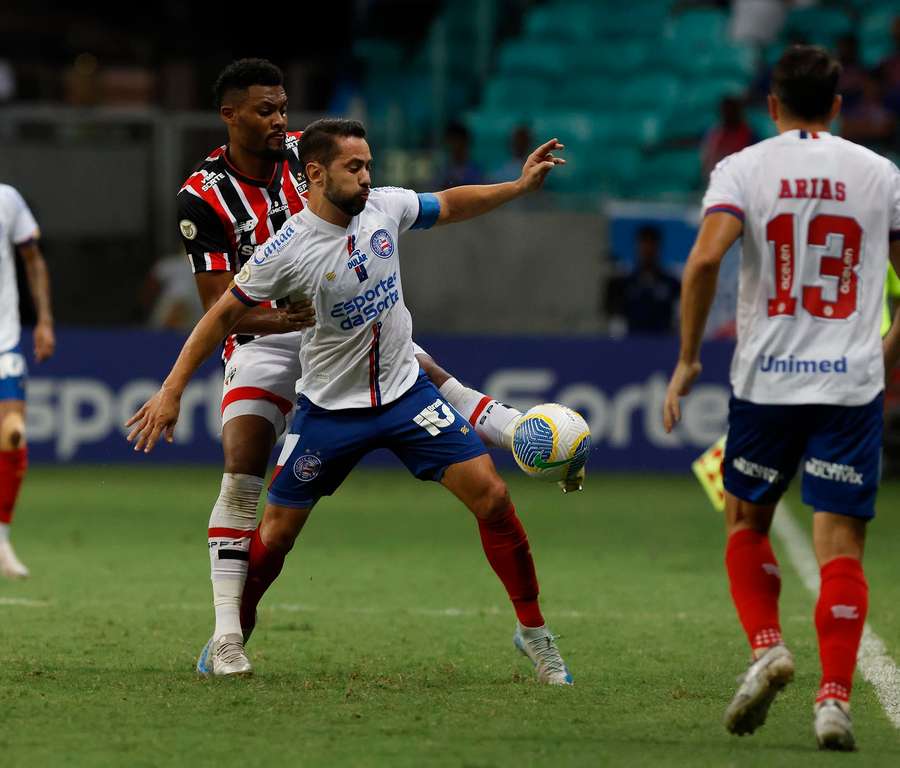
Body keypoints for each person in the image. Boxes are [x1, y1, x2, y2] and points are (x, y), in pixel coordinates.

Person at [129, 118, 573, 686]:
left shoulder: (384, 208)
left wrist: (515, 187)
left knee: (491, 496)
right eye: (355, 168)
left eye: (369, 165)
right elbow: (219, 316)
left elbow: (450, 203)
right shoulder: (285, 250)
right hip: (329, 413)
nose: (368, 178)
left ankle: (534, 634)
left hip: (406, 397)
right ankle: (229, 635)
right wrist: (170, 390)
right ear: (315, 174)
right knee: (277, 534)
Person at [663, 45, 900, 751]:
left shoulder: (744, 167)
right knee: (841, 546)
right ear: (837, 105)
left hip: (767, 381)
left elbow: (706, 259)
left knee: (745, 520)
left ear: (772, 106)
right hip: (848, 385)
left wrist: (685, 360)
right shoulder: (880, 173)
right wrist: (883, 352)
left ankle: (767, 646)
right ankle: (834, 701)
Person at [0, 184, 54, 579]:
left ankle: (1, 539)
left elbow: (33, 260)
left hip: (4, 343)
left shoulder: (8, 199)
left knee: (12, 432)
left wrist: (45, 320)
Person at [605, 225, 680, 335]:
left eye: (652, 244)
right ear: (637, 246)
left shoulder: (672, 283)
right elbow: (613, 316)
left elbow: (679, 316)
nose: (648, 249)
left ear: (658, 247)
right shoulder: (624, 282)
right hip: (632, 343)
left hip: (663, 343)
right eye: (644, 243)